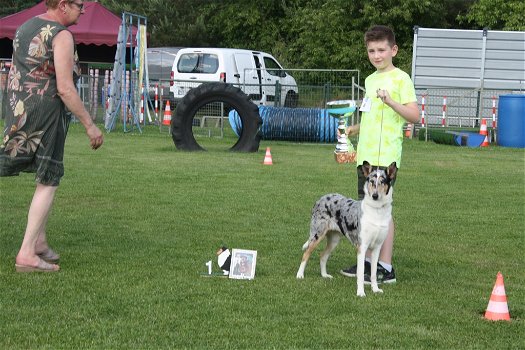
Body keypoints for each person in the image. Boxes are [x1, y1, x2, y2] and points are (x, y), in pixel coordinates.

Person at [0, 0, 103, 272]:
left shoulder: (24, 27)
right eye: (80, 5)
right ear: (63, 5)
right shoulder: (62, 35)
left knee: (18, 162)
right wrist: (90, 125)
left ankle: (40, 242)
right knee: (49, 178)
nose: (83, 10)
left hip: (18, 108)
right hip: (46, 114)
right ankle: (26, 253)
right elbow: (66, 88)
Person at [339, 25, 419, 283]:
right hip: (366, 157)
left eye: (381, 50)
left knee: (382, 208)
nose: (376, 55)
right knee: (367, 208)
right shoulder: (370, 80)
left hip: (386, 159)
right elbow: (371, 116)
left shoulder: (401, 79)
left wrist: (392, 102)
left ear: (393, 50)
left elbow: (414, 116)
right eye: (372, 50)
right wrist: (354, 129)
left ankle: (385, 266)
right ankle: (366, 262)